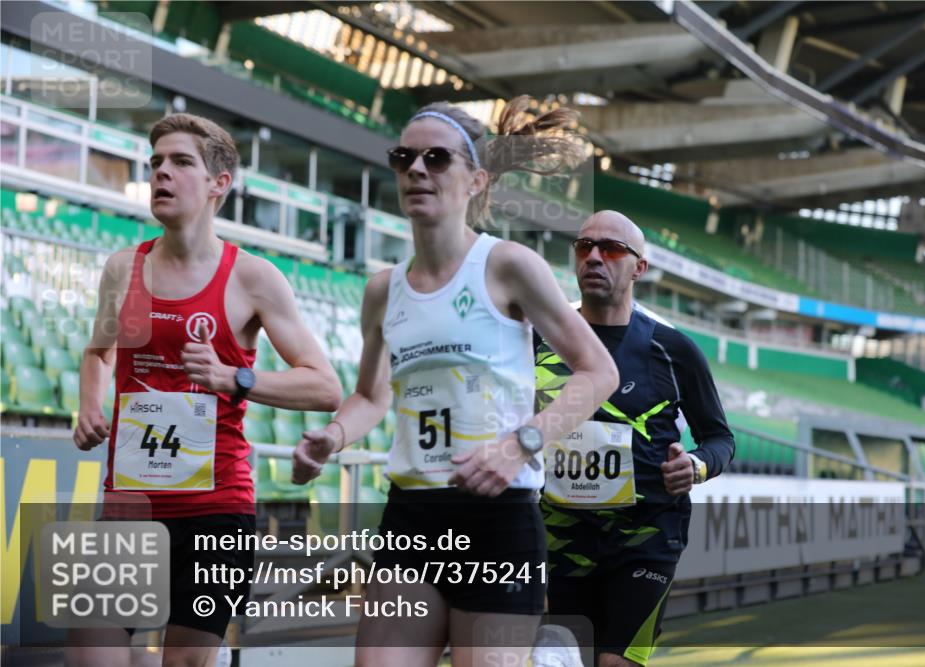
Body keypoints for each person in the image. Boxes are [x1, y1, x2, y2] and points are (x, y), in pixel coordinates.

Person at [292, 97, 619, 667]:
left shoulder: (507, 265)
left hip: (497, 521)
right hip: (412, 518)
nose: (417, 169)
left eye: (437, 158)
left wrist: (523, 444)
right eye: (404, 158)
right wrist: (334, 437)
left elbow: (599, 372)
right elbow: (372, 395)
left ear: (476, 180)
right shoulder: (381, 290)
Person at [68, 113, 342, 667]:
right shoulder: (124, 268)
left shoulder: (253, 278)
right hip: (129, 507)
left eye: (180, 162)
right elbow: (97, 352)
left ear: (220, 183)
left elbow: (326, 386)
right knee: (88, 655)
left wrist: (232, 377)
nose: (161, 173)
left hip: (215, 510)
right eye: (155, 163)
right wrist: (88, 405)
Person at [533, 211, 735, 667]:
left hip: (645, 538)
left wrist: (696, 466)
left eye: (611, 249)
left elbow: (719, 438)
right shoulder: (537, 341)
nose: (594, 258)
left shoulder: (673, 350)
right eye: (584, 247)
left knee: (615, 662)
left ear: (638, 267)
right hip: (560, 543)